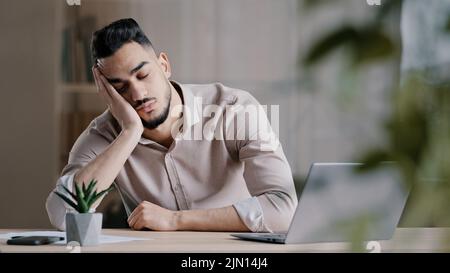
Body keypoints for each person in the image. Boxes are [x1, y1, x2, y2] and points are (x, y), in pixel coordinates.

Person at [46, 18, 297, 232]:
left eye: (143, 75)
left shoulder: (234, 110)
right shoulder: (103, 135)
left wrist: (176, 220)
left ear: (164, 65)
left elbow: (283, 209)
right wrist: (129, 133)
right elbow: (62, 216)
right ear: (106, 92)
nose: (138, 94)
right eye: (120, 88)